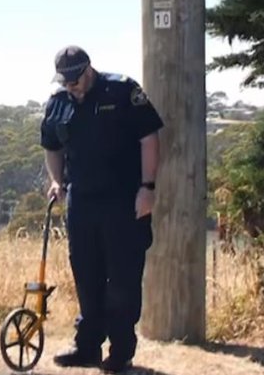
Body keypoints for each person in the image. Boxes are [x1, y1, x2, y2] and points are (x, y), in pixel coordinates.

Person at [39, 45, 163, 373]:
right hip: (82, 201)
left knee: (122, 278)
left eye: (75, 79)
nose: (71, 86)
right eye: (64, 81)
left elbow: (149, 138)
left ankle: (121, 352)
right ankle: (87, 347)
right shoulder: (58, 103)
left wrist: (147, 188)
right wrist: (56, 181)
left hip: (123, 200)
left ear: (88, 69)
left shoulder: (122, 90)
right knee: (86, 274)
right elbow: (52, 147)